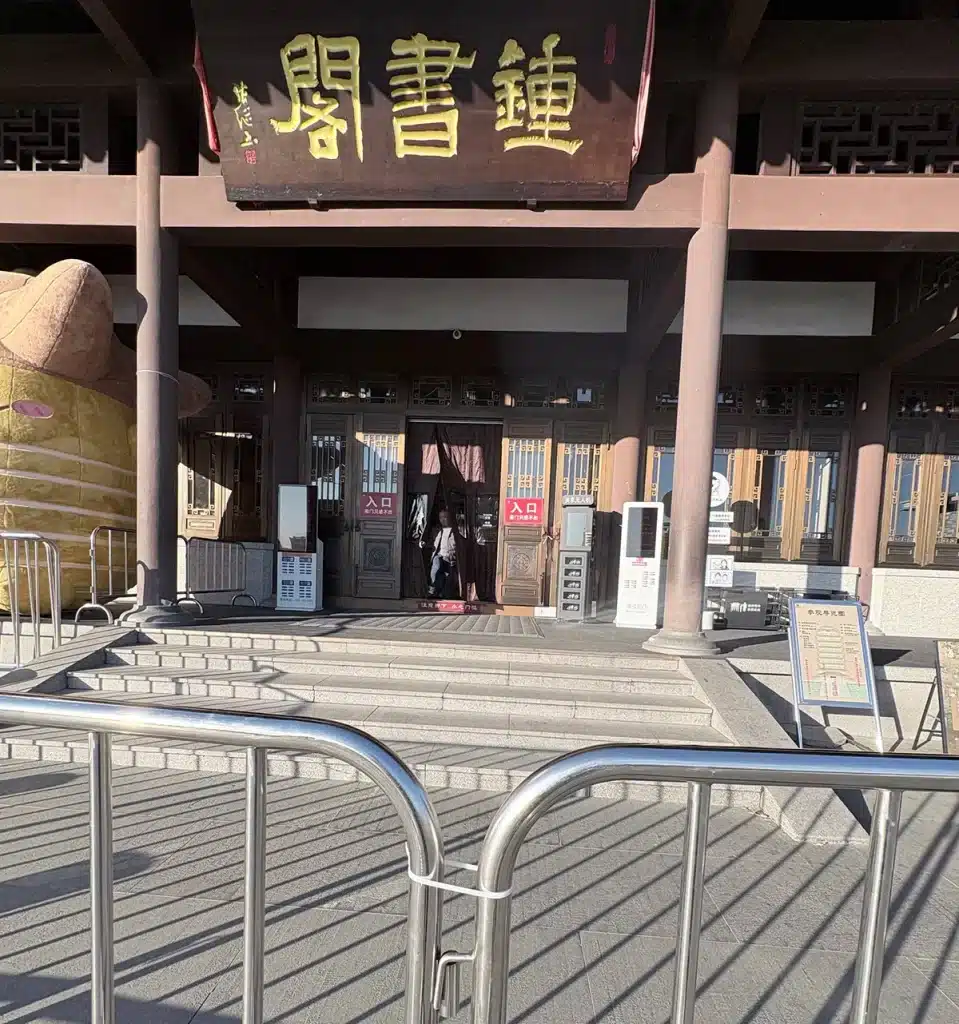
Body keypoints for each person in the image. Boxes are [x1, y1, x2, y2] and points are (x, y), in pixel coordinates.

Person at [427, 509, 458, 598]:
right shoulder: (437, 530)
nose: (443, 520)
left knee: (446, 577)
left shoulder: (455, 530)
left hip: (450, 556)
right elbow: (432, 542)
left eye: (445, 517)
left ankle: (441, 593)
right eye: (441, 517)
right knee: (435, 569)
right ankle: (432, 590)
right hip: (439, 555)